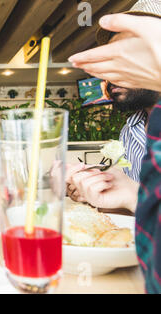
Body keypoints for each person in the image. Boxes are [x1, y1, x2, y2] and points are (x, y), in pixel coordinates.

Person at [66, 1, 161, 293]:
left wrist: (136, 195)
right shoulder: (130, 130)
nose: (108, 79)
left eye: (127, 57)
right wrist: (122, 194)